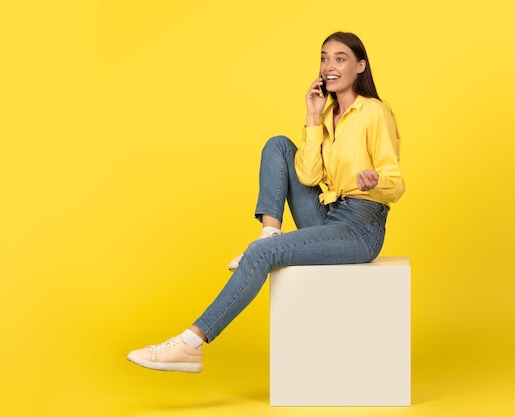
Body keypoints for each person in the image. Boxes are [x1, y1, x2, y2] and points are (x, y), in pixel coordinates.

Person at [127, 31, 405, 373]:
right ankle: (269, 232)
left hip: (361, 225)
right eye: (324, 58)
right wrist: (313, 118)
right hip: (328, 213)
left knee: (260, 256)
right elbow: (307, 175)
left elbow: (395, 183)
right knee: (278, 144)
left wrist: (375, 182)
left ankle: (190, 344)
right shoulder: (328, 114)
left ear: (360, 66)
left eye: (340, 58)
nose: (329, 66)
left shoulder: (374, 112)